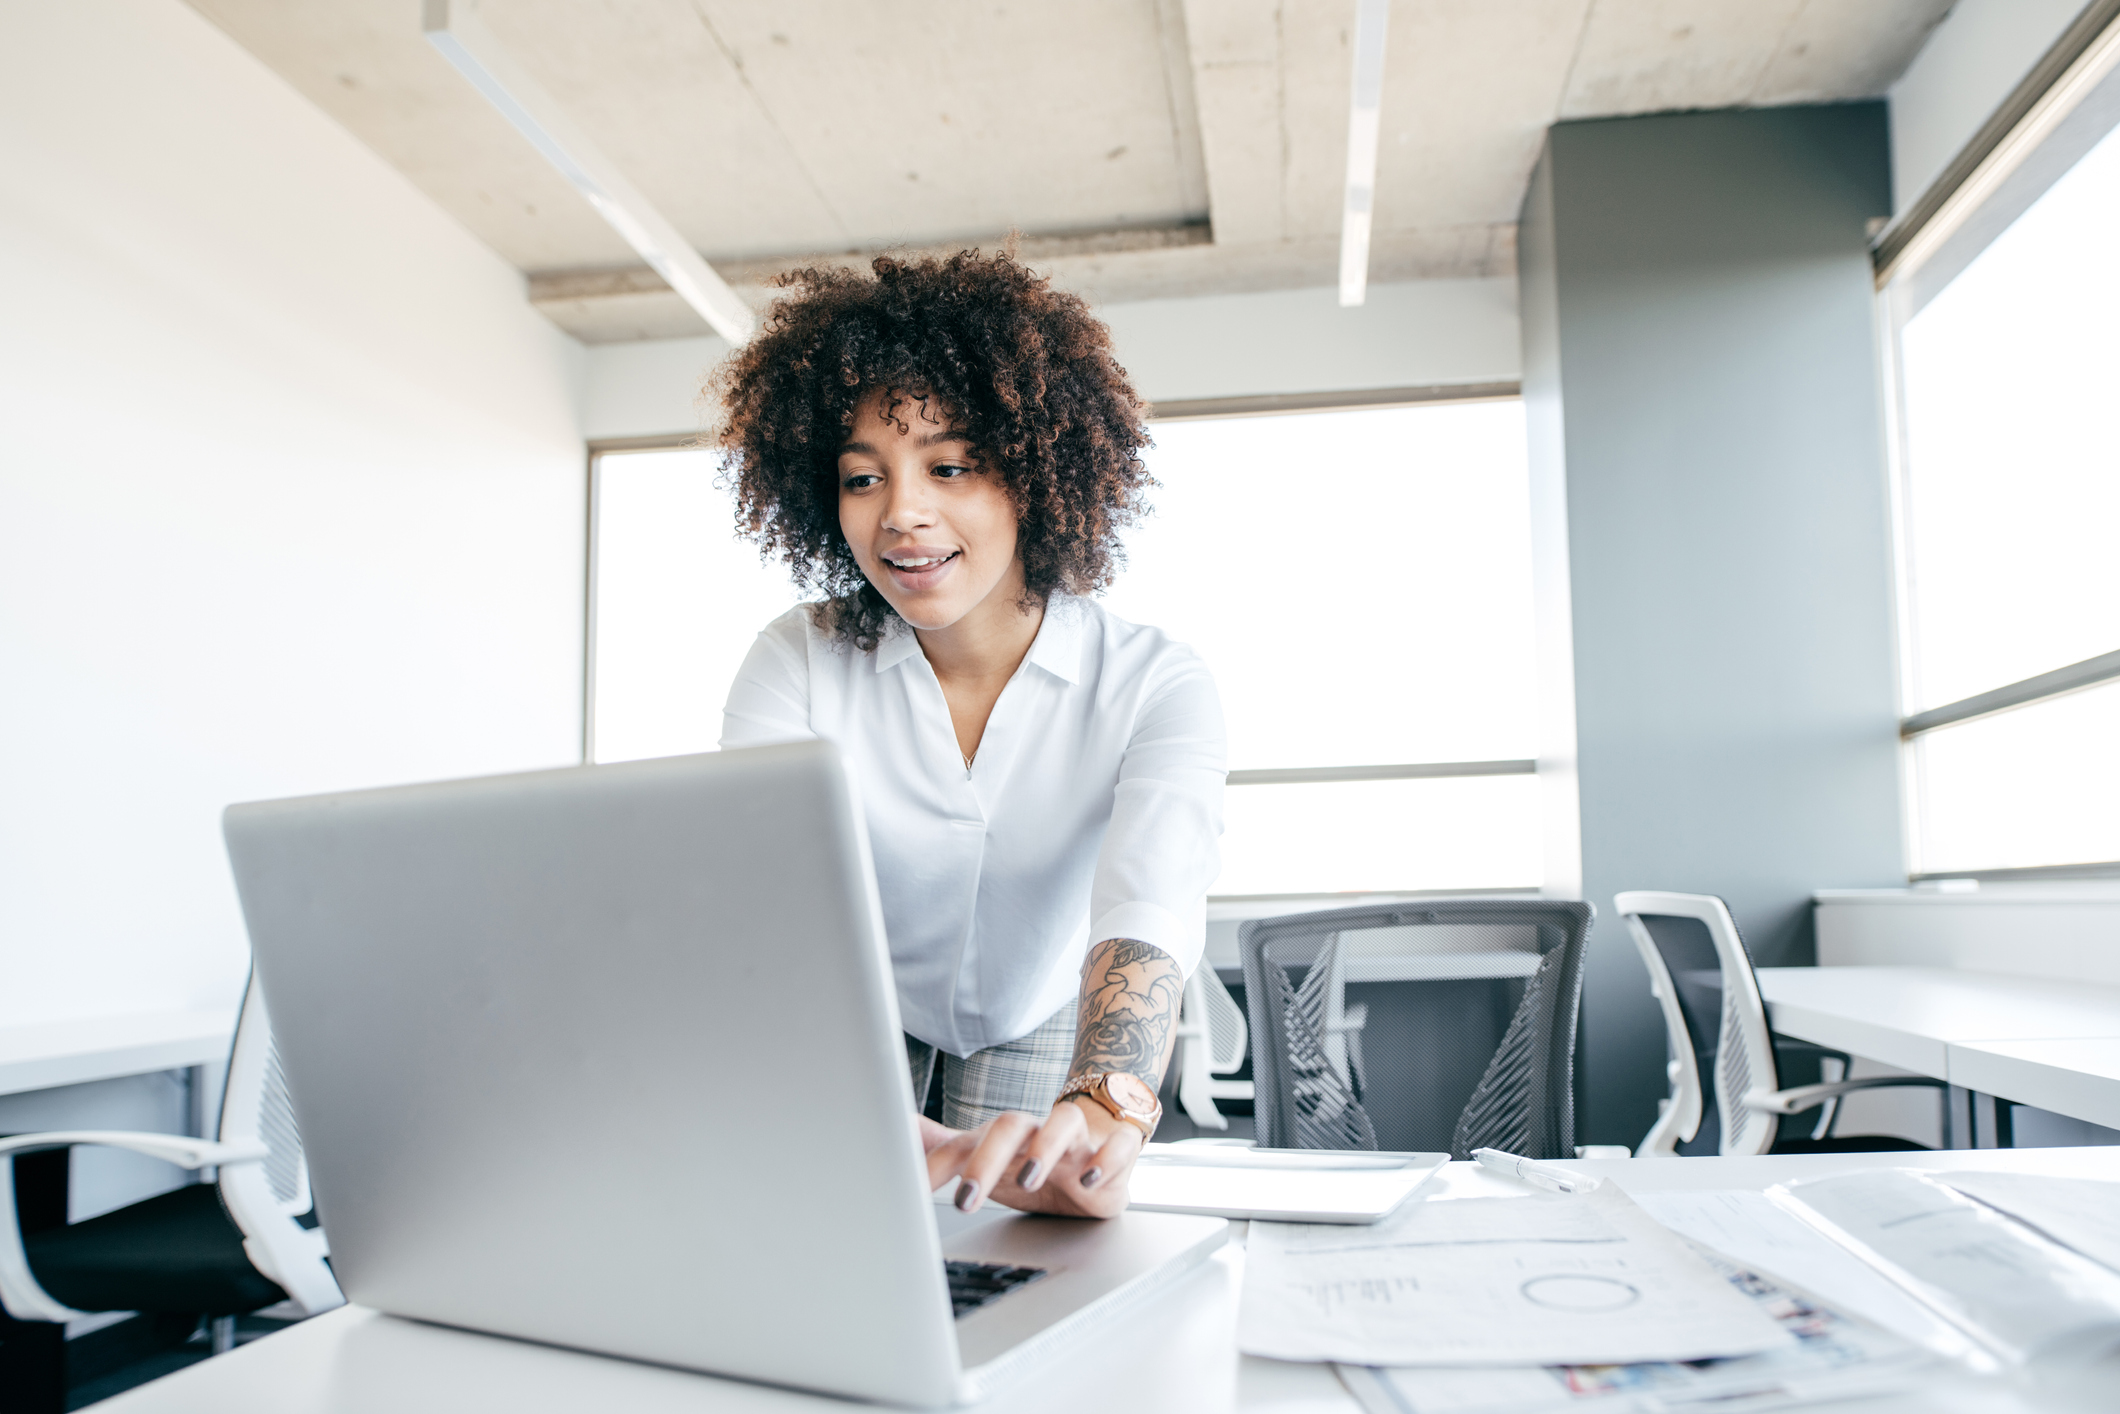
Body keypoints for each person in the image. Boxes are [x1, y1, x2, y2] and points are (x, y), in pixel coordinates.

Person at [711, 249, 1225, 1219]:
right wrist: (836, 1103)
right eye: (862, 477)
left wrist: (1103, 1100)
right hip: (861, 1011)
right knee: (844, 1225)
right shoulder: (795, 658)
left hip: (1035, 1010)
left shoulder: (1155, 682)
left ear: (1034, 471)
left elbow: (1146, 903)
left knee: (1021, 1230)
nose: (901, 513)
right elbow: (761, 899)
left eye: (949, 466)